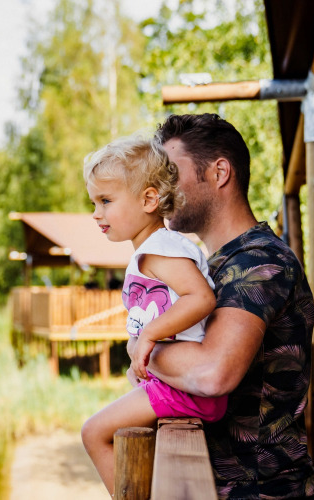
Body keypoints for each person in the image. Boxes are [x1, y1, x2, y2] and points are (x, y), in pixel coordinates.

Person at [140, 113, 314, 499]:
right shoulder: (212, 267)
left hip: (266, 492)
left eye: (171, 173)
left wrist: (143, 348)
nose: (160, 187)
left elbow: (211, 373)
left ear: (219, 172)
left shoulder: (259, 262)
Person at [79, 134, 226, 496]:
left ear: (148, 199)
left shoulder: (160, 250)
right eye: (94, 202)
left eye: (106, 201)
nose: (96, 213)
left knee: (94, 432)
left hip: (187, 388)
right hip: (174, 385)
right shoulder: (154, 250)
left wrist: (148, 336)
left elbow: (201, 298)